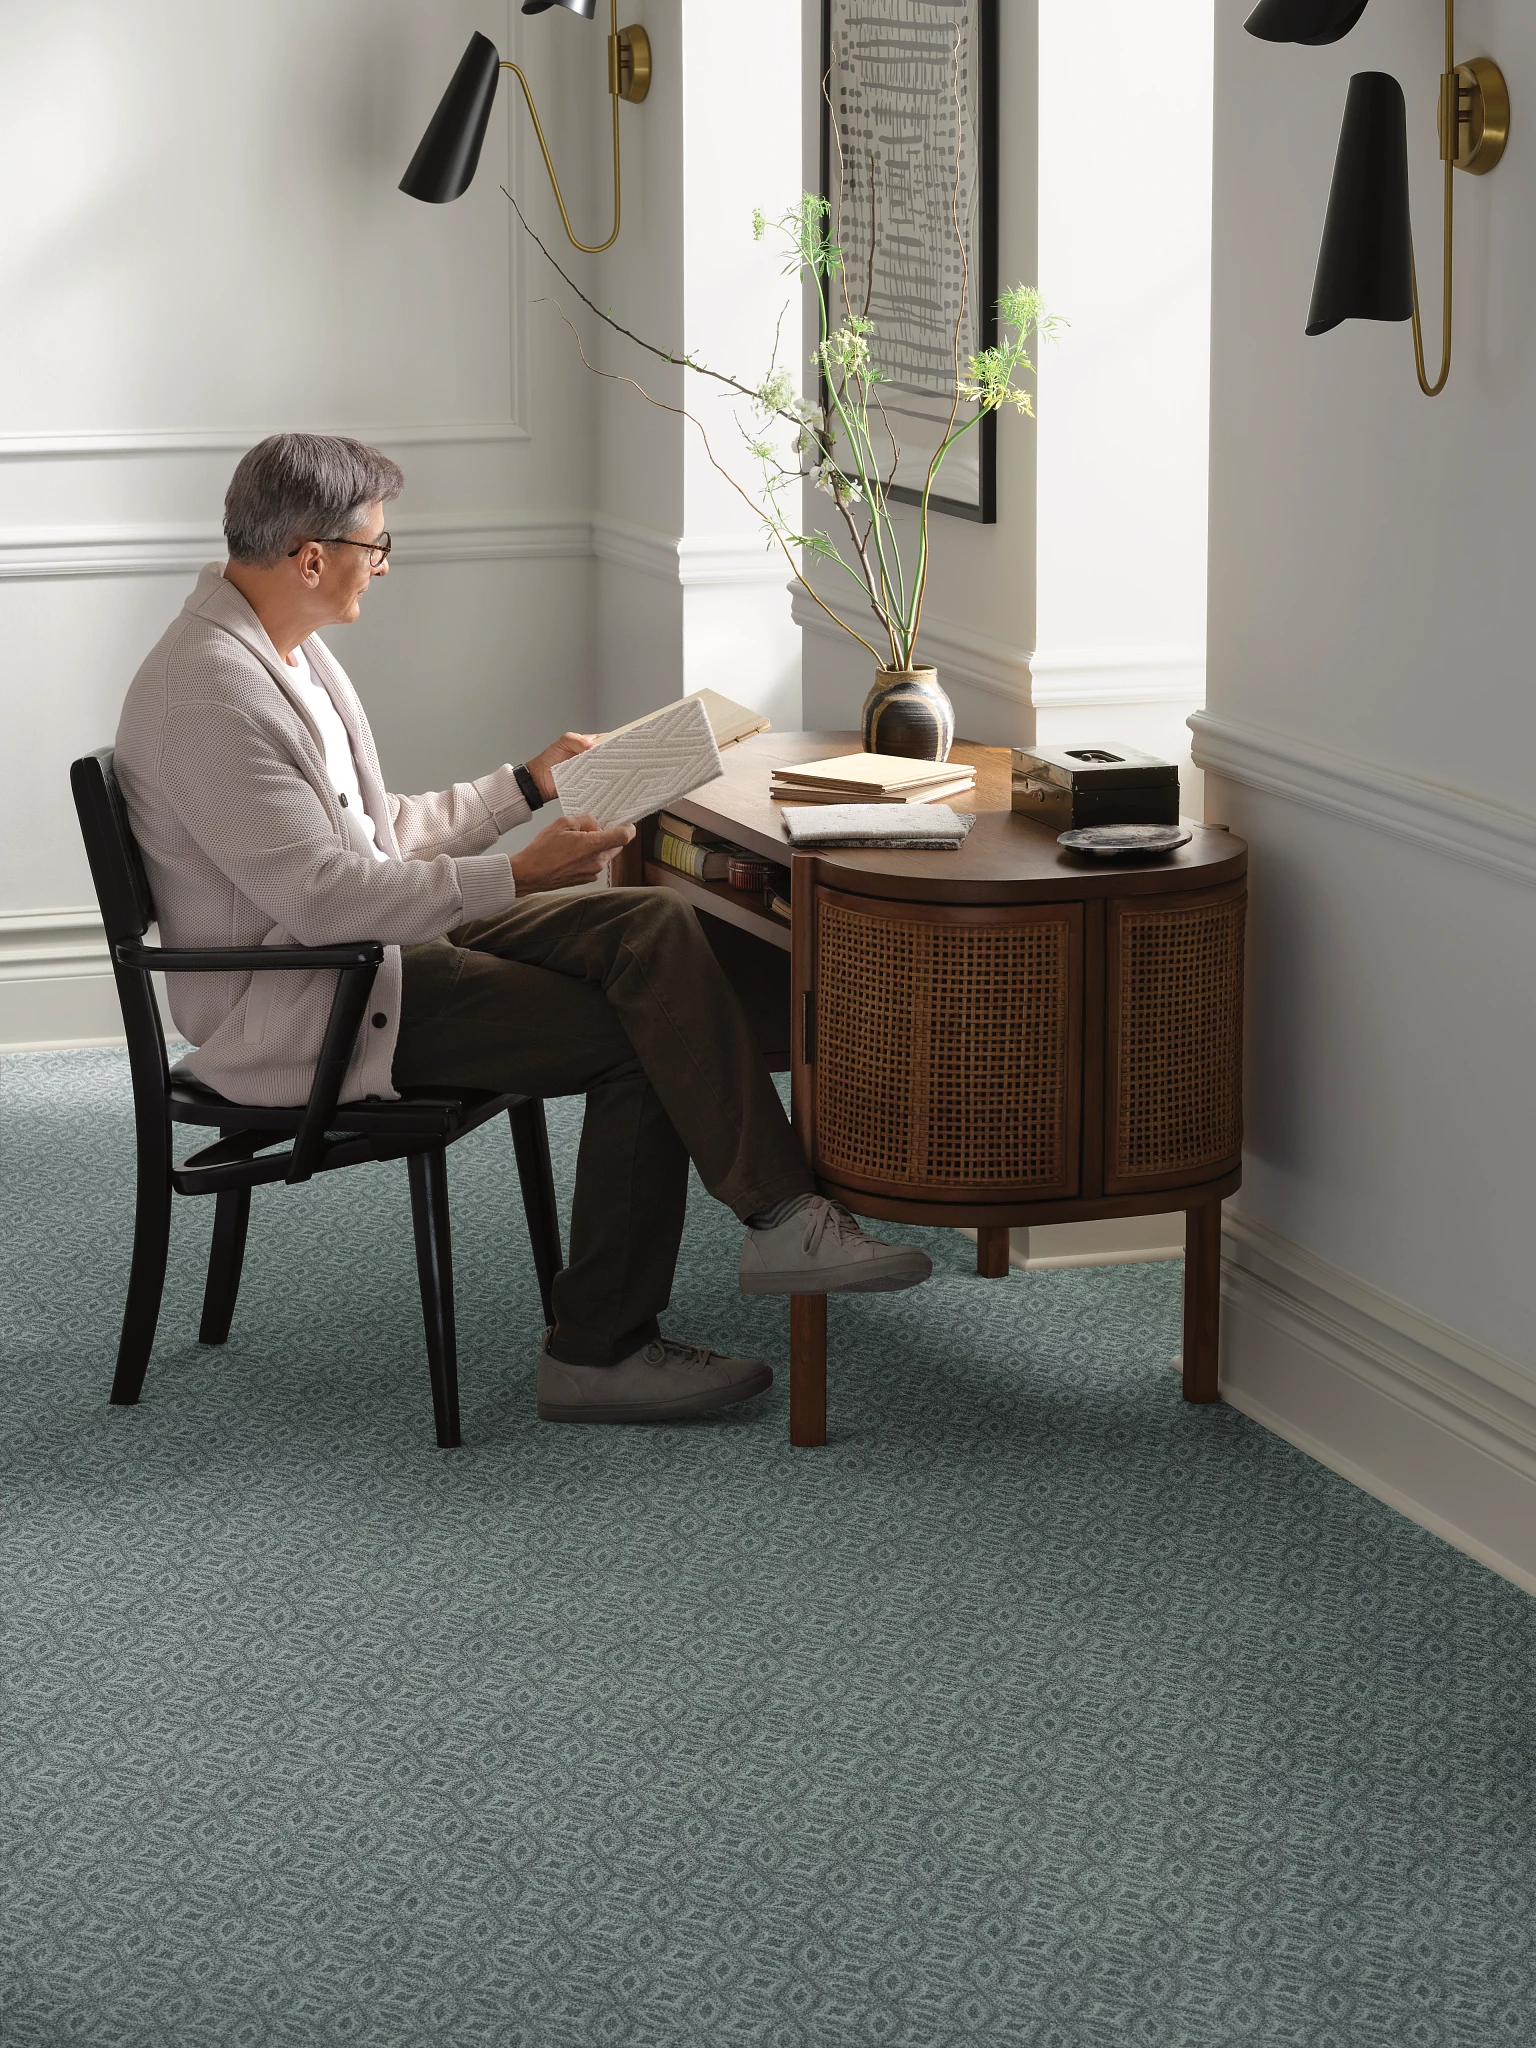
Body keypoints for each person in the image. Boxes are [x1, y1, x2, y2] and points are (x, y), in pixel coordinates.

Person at [114, 434, 932, 1425]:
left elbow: (372, 839)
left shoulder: (283, 651)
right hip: (313, 1000)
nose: (381, 566)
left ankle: (783, 1216)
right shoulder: (212, 690)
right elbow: (328, 896)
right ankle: (601, 1349)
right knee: (645, 1036)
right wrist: (515, 874)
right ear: (310, 556)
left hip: (368, 955)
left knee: (651, 928)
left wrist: (524, 786)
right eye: (376, 548)